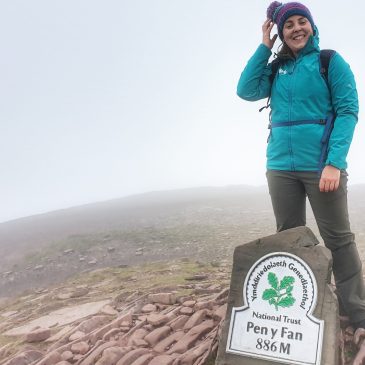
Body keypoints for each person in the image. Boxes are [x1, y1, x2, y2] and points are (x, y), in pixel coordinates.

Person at [236, 1, 365, 339]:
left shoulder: (329, 62)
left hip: (321, 167)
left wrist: (334, 163)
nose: (296, 28)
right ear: (281, 32)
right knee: (289, 237)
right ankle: (299, 306)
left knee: (338, 239)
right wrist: (264, 46)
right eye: (288, 24)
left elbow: (348, 111)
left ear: (312, 26)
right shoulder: (276, 68)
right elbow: (245, 89)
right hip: (279, 167)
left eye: (301, 21)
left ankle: (358, 312)